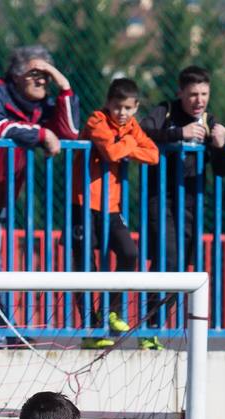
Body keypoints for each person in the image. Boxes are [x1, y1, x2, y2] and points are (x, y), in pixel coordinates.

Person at [0, 45, 79, 345]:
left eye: (46, 77)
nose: (42, 82)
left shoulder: (42, 102)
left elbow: (71, 132)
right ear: (17, 74)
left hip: (1, 193)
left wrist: (64, 85)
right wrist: (41, 134)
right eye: (37, 74)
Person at [139, 65, 225, 350]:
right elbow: (143, 132)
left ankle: (162, 324)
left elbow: (223, 170)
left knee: (180, 264)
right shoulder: (165, 111)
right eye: (192, 95)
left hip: (192, 202)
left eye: (204, 94)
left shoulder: (211, 121)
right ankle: (151, 327)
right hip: (162, 198)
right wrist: (179, 133)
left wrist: (219, 145)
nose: (199, 100)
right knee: (167, 258)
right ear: (180, 94)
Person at [72, 77, 158, 349]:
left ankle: (112, 309)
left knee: (129, 252)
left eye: (128, 108)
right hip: (84, 203)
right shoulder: (97, 121)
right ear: (108, 103)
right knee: (86, 266)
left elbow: (153, 154)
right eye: (118, 106)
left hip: (112, 207)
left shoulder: (131, 127)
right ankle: (91, 326)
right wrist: (131, 146)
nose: (122, 113)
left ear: (136, 108)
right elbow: (110, 151)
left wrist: (129, 145)